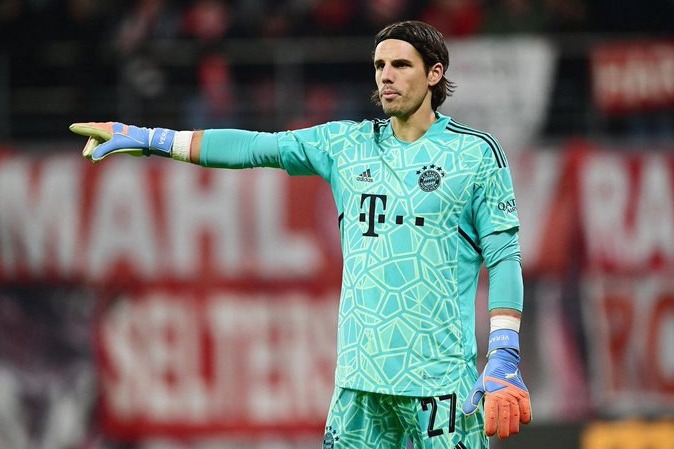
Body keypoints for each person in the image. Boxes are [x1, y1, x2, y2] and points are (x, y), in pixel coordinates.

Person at [70, 20, 532, 449]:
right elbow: (254, 147)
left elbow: (503, 256)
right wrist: (149, 138)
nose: (386, 76)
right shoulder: (345, 144)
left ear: (434, 73)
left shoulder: (475, 155)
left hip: (440, 384)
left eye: (400, 65)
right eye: (379, 66)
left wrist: (504, 354)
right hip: (358, 386)